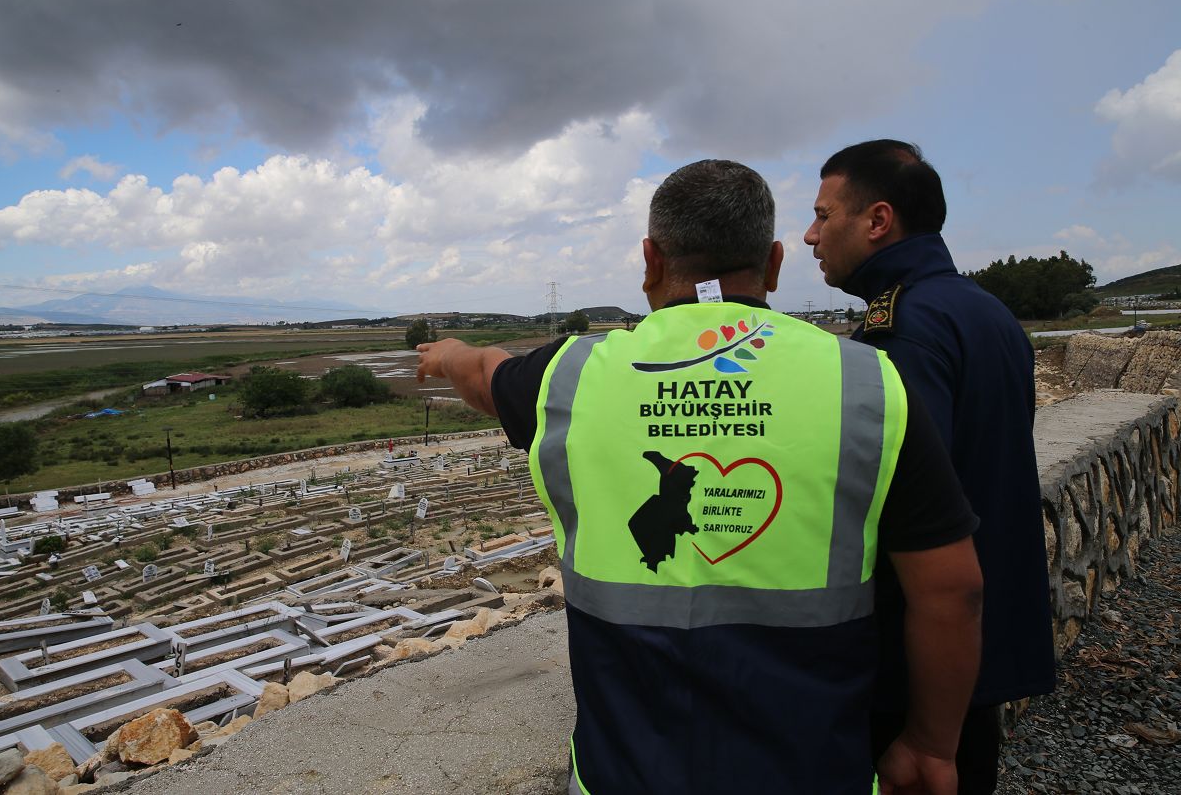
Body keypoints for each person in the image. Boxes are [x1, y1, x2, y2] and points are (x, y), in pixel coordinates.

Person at [418, 159, 983, 794]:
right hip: (814, 772)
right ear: (773, 263)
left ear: (650, 260)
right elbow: (952, 591)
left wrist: (445, 356)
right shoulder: (867, 382)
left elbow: (486, 373)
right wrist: (932, 746)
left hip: (620, 776)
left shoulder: (570, 377)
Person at [804, 140, 1056, 793]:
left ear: (877, 220)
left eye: (823, 215)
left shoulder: (904, 328)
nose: (810, 235)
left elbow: (914, 514)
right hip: (970, 654)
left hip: (915, 673)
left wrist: (924, 733)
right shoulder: (983, 310)